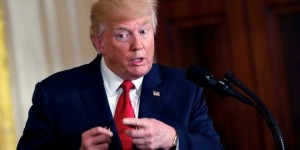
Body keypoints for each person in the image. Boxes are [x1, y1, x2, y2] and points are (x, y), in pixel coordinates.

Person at [17, 0, 222, 149]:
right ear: (99, 43)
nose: (138, 45)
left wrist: (174, 139)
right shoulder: (54, 93)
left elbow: (214, 147)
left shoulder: (184, 87)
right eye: (123, 35)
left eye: (144, 31)